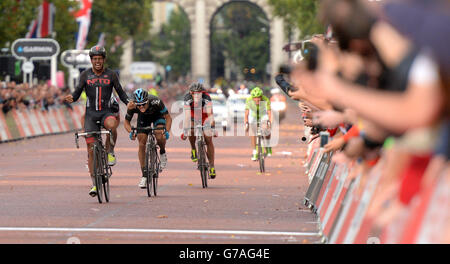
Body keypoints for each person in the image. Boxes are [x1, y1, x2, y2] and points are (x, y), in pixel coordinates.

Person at [64, 45, 131, 197]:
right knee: (91, 150)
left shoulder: (111, 75)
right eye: (95, 59)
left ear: (104, 59)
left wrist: (129, 102)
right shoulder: (85, 75)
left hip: (106, 112)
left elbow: (120, 92)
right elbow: (77, 93)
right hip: (91, 115)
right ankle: (94, 184)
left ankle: (110, 151)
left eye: (100, 59)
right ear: (91, 60)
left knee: (112, 125)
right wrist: (72, 98)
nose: (97, 61)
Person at [124, 88, 172, 189]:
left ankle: (162, 151)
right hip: (143, 119)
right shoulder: (133, 105)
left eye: (143, 104)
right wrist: (131, 132)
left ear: (148, 100)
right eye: (139, 104)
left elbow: (168, 117)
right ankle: (144, 174)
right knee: (141, 142)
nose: (141, 106)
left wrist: (166, 131)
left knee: (159, 133)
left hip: (157, 116)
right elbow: (126, 122)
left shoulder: (156, 101)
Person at [181, 82, 217, 178]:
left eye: (199, 93)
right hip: (193, 116)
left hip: (205, 117)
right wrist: (185, 130)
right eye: (194, 93)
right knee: (191, 130)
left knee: (208, 139)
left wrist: (213, 127)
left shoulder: (207, 97)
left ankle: (212, 166)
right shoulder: (187, 98)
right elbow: (187, 116)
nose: (196, 95)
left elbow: (210, 114)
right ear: (190, 93)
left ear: (202, 93)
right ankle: (193, 149)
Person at [244, 87, 272, 161]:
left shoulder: (266, 99)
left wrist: (269, 122)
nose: (257, 100)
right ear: (252, 98)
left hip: (263, 115)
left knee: (266, 128)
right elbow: (246, 113)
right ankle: (254, 150)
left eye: (258, 98)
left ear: (261, 97)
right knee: (252, 132)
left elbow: (269, 112)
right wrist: (246, 122)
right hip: (253, 115)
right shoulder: (249, 100)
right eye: (255, 98)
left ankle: (268, 145)